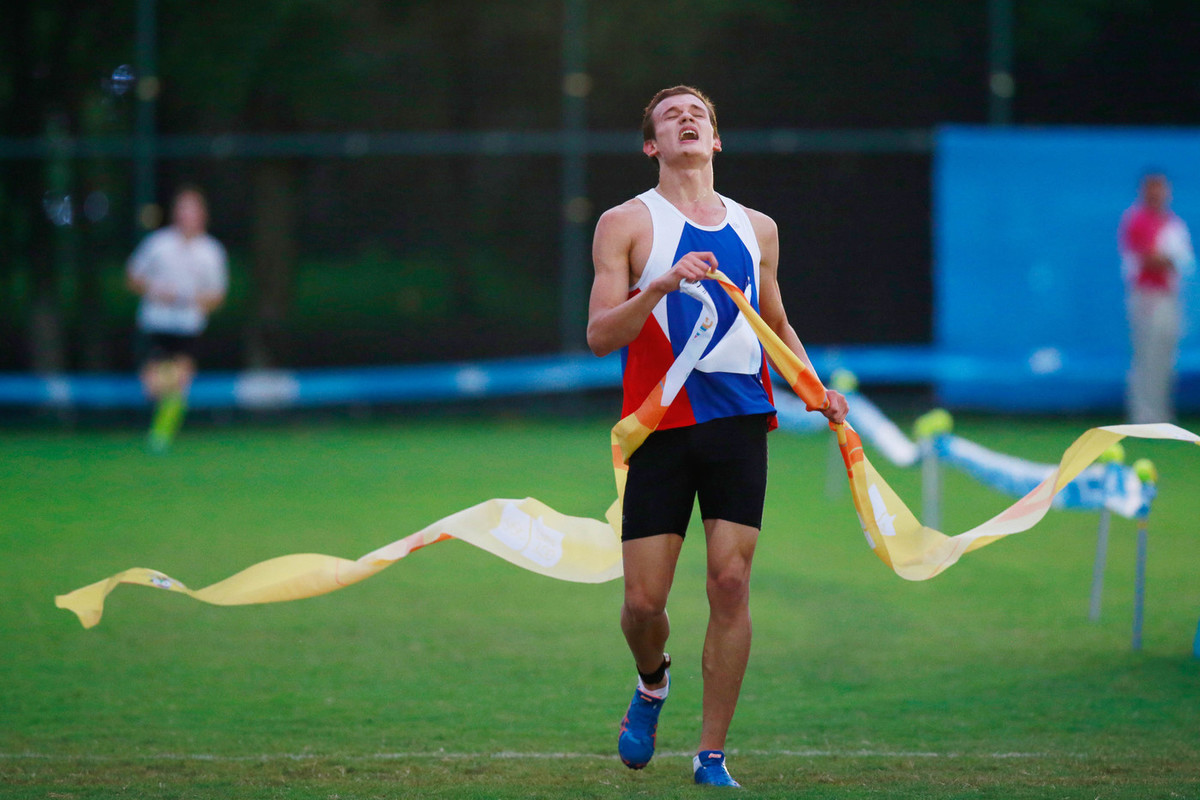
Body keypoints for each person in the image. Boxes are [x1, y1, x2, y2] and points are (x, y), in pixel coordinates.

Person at [587, 85, 848, 787]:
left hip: (738, 419)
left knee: (731, 582)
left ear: (717, 139)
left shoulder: (757, 227)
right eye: (670, 116)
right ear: (652, 146)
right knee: (643, 605)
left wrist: (814, 387)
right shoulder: (625, 222)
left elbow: (777, 321)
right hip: (661, 426)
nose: (687, 119)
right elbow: (598, 335)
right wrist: (659, 286)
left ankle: (710, 755)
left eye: (697, 113)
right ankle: (651, 684)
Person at [126, 185, 228, 452]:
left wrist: (194, 300)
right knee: (154, 386)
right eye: (183, 209)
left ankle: (160, 437)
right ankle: (161, 426)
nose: (188, 216)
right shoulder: (157, 244)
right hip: (157, 323)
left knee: (179, 381)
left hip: (188, 327)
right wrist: (156, 291)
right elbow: (132, 278)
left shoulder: (211, 251)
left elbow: (217, 296)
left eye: (193, 210)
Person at [1119, 172, 1194, 424]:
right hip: (1147, 296)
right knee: (1146, 355)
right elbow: (1151, 258)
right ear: (1144, 191)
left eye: (1161, 188)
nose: (1157, 193)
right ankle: (1143, 416)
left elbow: (1184, 259)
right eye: (1152, 188)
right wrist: (1170, 258)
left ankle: (1160, 414)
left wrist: (1172, 259)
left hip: (1169, 295)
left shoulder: (1172, 223)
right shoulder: (1137, 219)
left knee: (1165, 357)